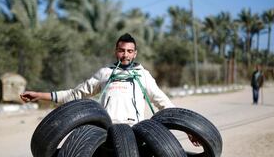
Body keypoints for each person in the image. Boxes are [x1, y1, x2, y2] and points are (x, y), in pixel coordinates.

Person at [20, 33, 199, 146]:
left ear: (135, 53)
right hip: (105, 134)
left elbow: (164, 104)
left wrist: (188, 130)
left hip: (136, 133)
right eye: (122, 50)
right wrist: (39, 95)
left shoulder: (143, 75)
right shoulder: (105, 73)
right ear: (116, 51)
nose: (126, 55)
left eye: (130, 51)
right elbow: (75, 95)